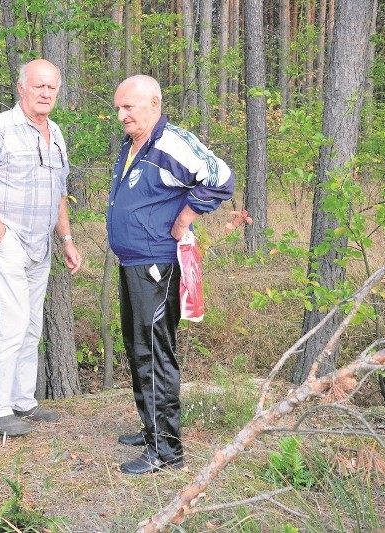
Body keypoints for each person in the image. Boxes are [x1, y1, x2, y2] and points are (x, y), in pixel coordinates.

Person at [107, 75, 235, 474]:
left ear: (155, 104)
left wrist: (186, 216)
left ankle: (167, 451)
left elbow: (220, 177)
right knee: (136, 346)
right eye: (118, 108)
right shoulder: (133, 145)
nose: (121, 115)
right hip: (133, 263)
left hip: (157, 265)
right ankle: (151, 429)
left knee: (156, 353)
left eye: (129, 107)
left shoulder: (170, 143)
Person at [0, 59, 82, 437]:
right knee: (12, 323)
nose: (46, 93)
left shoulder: (56, 132)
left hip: (40, 244)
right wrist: (1, 235)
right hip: (6, 241)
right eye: (39, 86)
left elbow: (58, 192)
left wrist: (66, 239)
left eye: (52, 88)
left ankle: (23, 401)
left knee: (31, 326)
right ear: (21, 87)